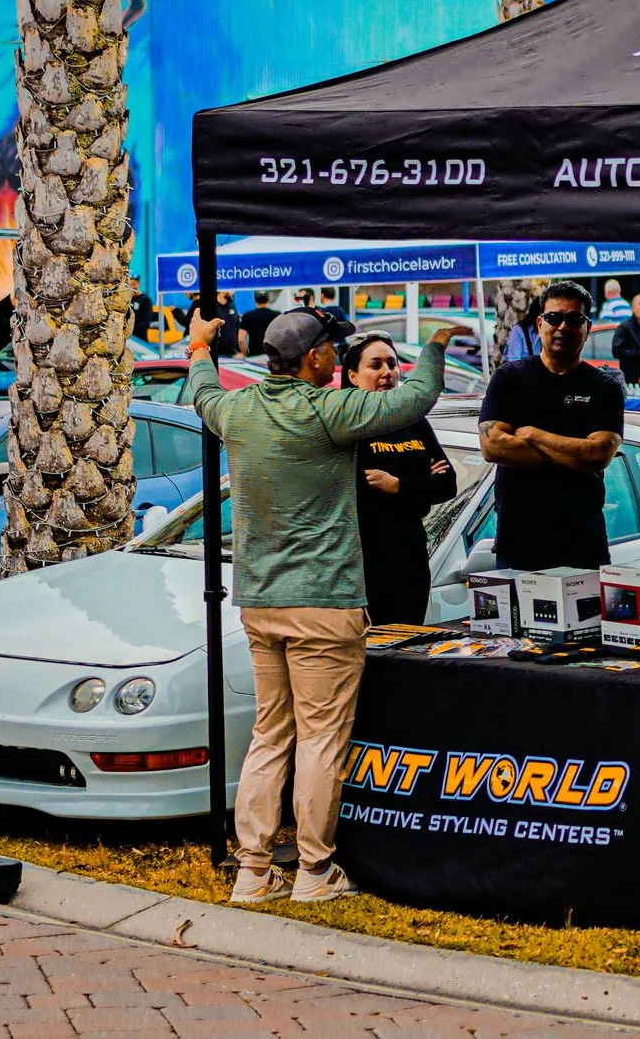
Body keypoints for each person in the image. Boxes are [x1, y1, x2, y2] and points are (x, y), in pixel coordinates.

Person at [184, 307, 456, 906]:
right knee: (322, 739)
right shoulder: (328, 413)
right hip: (325, 604)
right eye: (332, 350)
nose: (338, 357)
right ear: (314, 359)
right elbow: (410, 403)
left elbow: (203, 392)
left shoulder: (239, 410)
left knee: (270, 734)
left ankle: (252, 872)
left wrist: (200, 346)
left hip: (260, 602)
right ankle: (314, 871)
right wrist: (434, 347)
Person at [480, 281, 625, 573]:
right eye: (554, 318)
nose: (563, 327)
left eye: (574, 319)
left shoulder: (605, 388)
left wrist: (532, 434)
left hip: (583, 546)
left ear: (587, 327)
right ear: (540, 323)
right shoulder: (510, 379)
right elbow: (492, 446)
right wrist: (575, 458)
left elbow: (597, 456)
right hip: (518, 545)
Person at [342, 335, 458, 626]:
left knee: (406, 644)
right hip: (364, 561)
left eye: (392, 364)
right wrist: (421, 482)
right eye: (376, 365)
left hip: (410, 555)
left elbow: (448, 484)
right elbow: (359, 489)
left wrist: (399, 485)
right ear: (353, 376)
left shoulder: (413, 421)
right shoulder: (347, 426)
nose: (387, 373)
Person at [613, 292, 640, 386]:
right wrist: (639, 354)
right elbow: (617, 351)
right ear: (633, 308)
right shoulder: (624, 327)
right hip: (632, 379)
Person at [238, 291, 279, 356]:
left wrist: (245, 354)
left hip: (254, 356)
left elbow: (241, 340)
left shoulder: (248, 316)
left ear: (254, 299)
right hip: (272, 356)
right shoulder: (277, 315)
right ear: (268, 299)